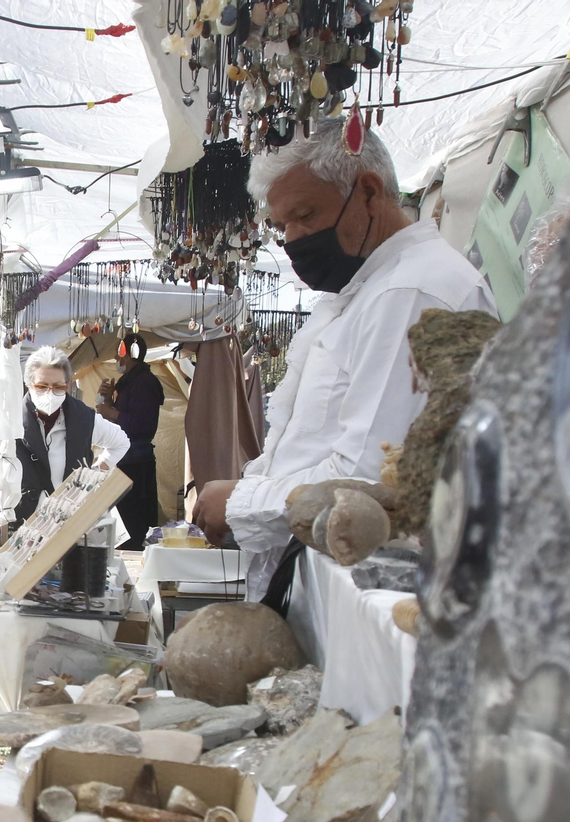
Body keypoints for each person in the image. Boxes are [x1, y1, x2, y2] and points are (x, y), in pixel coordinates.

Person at [192, 122, 497, 602]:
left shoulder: (411, 292)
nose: (293, 239)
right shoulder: (363, 292)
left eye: (305, 215)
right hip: (332, 584)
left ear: (369, 193)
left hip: (369, 595)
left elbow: (371, 480)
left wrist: (243, 502)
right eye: (281, 226)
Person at [0, 347, 130, 523]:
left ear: (67, 385)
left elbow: (121, 442)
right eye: (42, 386)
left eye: (58, 387)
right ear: (29, 385)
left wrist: (97, 470)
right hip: (22, 524)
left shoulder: (85, 419)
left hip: (70, 522)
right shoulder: (10, 421)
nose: (50, 393)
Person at [96, 333, 165, 547]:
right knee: (122, 521)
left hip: (136, 466)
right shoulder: (129, 383)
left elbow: (141, 425)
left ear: (129, 355)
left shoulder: (145, 383)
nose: (117, 360)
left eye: (119, 354)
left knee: (134, 524)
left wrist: (110, 412)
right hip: (124, 462)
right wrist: (108, 400)